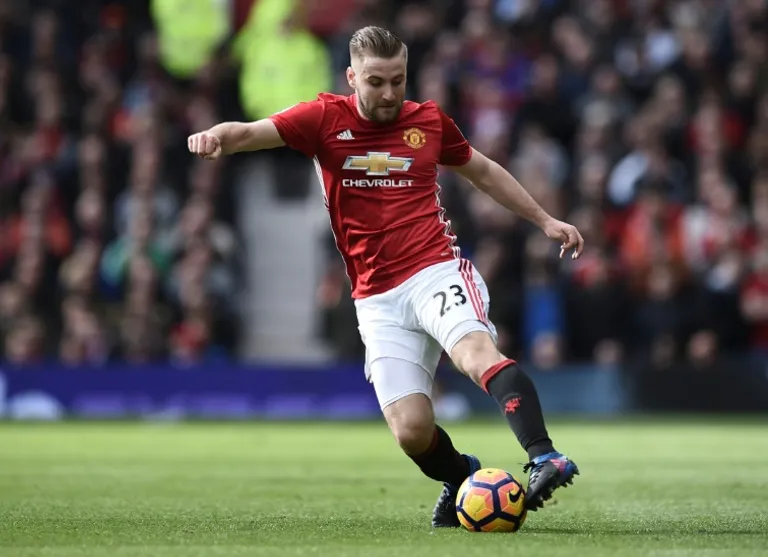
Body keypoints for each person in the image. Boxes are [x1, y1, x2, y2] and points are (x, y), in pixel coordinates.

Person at [188, 26, 582, 528]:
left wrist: (545, 220)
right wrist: (215, 137)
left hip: (434, 270)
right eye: (377, 82)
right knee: (411, 431)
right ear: (352, 77)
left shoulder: (429, 122)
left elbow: (484, 172)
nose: (390, 93)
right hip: (375, 298)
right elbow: (247, 133)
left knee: (475, 355)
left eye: (398, 80)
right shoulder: (322, 119)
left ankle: (544, 455)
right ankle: (462, 478)